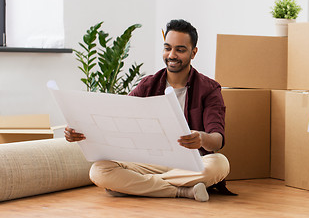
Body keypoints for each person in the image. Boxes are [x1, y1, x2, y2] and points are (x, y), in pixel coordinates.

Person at [65, 19, 230, 202]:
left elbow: (217, 140)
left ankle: (136, 186)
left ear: (194, 52)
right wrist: (80, 130)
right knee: (99, 170)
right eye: (167, 48)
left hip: (191, 164)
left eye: (180, 50)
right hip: (150, 162)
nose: (172, 55)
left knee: (220, 164)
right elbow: (117, 117)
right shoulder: (148, 84)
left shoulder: (209, 89)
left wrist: (201, 138)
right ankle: (183, 191)